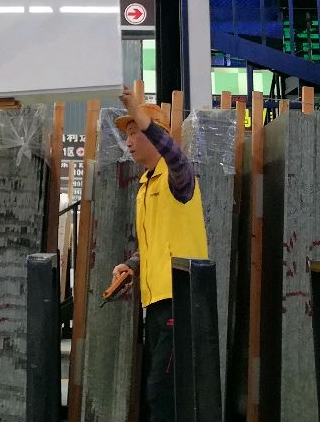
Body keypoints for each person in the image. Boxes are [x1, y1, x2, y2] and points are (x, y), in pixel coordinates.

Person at [110, 84, 208, 421]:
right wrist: (131, 266)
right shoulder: (145, 185)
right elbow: (155, 241)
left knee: (161, 392)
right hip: (157, 302)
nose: (129, 141)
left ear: (157, 137)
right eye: (127, 134)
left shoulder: (178, 177)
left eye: (134, 132)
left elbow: (174, 154)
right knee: (165, 390)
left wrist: (138, 113)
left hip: (180, 299)